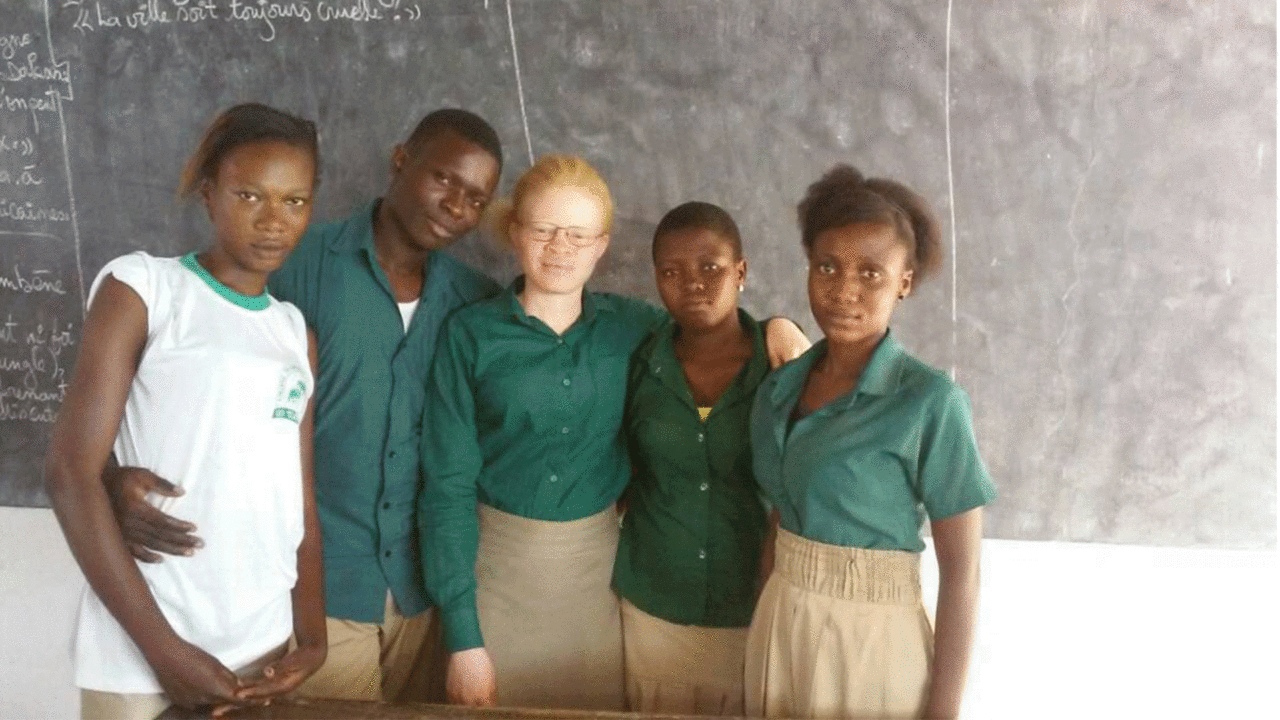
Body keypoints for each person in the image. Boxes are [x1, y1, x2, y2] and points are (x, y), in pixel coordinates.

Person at [105, 108, 505, 703]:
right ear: (400, 160)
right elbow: (188, 377)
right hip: (320, 593)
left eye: (475, 198)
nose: (455, 206)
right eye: (443, 179)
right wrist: (107, 477)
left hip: (424, 598)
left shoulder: (474, 302)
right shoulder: (294, 260)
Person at [45, 103, 325, 720]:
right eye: (249, 194)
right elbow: (70, 472)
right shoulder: (144, 289)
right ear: (209, 194)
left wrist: (312, 639)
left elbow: (298, 497)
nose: (274, 220)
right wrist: (166, 653)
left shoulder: (292, 331)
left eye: (295, 201)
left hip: (262, 649)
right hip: (145, 654)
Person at [746, 165, 997, 720]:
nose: (843, 291)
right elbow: (776, 523)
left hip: (874, 639)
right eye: (827, 267)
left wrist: (943, 713)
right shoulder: (779, 389)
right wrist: (761, 637)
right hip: (780, 625)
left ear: (905, 281)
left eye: (871, 274)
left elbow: (963, 575)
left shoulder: (931, 403)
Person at [420, 154, 665, 711]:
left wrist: (780, 327)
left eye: (579, 235)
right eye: (544, 230)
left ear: (603, 244)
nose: (561, 248)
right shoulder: (470, 335)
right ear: (514, 233)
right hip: (492, 579)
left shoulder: (636, 329)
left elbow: (718, 335)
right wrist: (462, 635)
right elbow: (447, 487)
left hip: (595, 582)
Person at [612, 201, 809, 715]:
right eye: (671, 271)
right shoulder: (639, 362)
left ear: (741, 272)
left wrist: (781, 324)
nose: (692, 283)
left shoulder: (783, 367)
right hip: (653, 604)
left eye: (711, 267)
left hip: (753, 606)